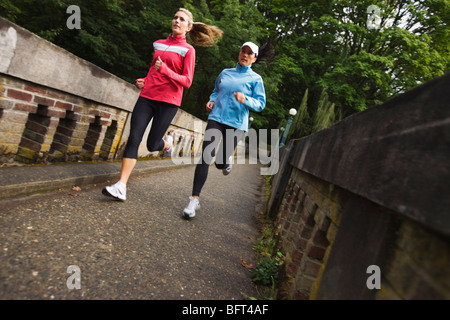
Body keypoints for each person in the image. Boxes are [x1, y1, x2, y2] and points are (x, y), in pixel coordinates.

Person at [103, 8, 222, 201]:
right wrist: (143, 80)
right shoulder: (158, 44)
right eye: (175, 17)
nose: (177, 21)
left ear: (188, 27)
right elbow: (153, 68)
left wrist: (166, 71)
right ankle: (121, 185)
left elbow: (187, 81)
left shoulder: (188, 50)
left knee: (151, 145)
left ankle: (166, 143)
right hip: (147, 96)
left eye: (182, 19)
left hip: (168, 102)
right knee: (134, 138)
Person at [183, 42, 267, 219]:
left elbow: (261, 104)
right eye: (243, 51)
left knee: (219, 162)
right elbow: (215, 91)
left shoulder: (256, 79)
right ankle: (194, 200)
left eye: (249, 53)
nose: (244, 55)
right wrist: (211, 100)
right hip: (217, 118)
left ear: (255, 58)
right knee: (206, 156)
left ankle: (225, 161)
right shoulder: (225, 72)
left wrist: (245, 99)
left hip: (236, 124)